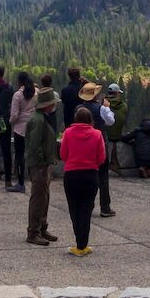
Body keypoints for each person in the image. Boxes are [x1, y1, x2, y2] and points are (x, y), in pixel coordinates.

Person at [60, 106, 105, 257]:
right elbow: (101, 158)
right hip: (90, 175)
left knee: (74, 209)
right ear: (90, 120)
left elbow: (63, 154)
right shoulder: (97, 134)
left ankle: (79, 244)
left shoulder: (67, 133)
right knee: (87, 209)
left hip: (72, 175)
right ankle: (83, 244)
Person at [23, 89, 60, 246]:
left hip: (43, 164)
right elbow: (34, 145)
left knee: (44, 196)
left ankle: (41, 228)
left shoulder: (42, 117)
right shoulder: (38, 120)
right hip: (39, 165)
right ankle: (33, 232)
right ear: (48, 104)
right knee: (38, 198)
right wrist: (41, 164)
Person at [76, 82, 116, 217]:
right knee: (103, 177)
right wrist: (107, 108)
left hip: (83, 145)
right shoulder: (101, 108)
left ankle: (85, 205)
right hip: (99, 143)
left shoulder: (78, 108)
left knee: (85, 176)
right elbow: (111, 121)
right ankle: (105, 207)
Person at [7, 71, 36, 193]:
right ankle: (35, 180)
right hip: (34, 127)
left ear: (19, 81)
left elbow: (14, 115)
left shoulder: (18, 95)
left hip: (20, 129)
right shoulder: (36, 93)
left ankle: (20, 182)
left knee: (20, 156)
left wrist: (10, 122)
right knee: (33, 154)